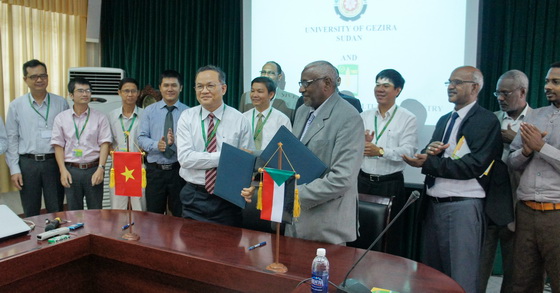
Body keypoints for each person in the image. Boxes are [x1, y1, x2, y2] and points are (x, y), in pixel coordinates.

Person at [403, 66, 502, 293]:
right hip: (433, 205)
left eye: (457, 82)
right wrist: (427, 153)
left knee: (461, 278)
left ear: (475, 87)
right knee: (430, 277)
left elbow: (475, 166)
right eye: (449, 82)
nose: (450, 87)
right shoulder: (445, 119)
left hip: (462, 207)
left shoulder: (486, 121)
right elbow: (438, 156)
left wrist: (428, 163)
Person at [283, 60, 364, 244]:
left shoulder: (349, 117)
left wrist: (293, 193)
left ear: (327, 83)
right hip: (294, 221)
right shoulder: (303, 110)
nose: (301, 90)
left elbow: (342, 178)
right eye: (300, 83)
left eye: (306, 83)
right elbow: (294, 155)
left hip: (325, 227)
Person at [177, 65, 254, 227]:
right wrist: (228, 156)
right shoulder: (187, 117)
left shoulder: (240, 120)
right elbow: (185, 159)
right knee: (192, 248)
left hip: (229, 196)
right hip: (194, 196)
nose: (204, 91)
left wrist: (236, 158)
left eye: (210, 85)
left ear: (223, 88)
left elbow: (245, 161)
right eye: (199, 86)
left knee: (228, 249)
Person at [507, 62, 560, 293]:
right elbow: (512, 161)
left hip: (556, 214)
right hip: (526, 211)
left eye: (555, 82)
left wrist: (541, 147)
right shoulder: (535, 116)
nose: (547, 86)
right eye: (547, 81)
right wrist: (527, 151)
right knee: (522, 281)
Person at [479, 69, 531, 293]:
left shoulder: (538, 119)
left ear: (522, 92)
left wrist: (516, 139)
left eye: (506, 93)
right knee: (480, 260)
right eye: (497, 93)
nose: (500, 98)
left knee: (515, 264)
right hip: (488, 196)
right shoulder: (490, 119)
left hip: (519, 199)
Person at [358, 69, 417, 257]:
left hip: (389, 184)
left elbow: (408, 152)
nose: (380, 89)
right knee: (359, 232)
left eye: (386, 86)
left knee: (387, 236)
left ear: (398, 90)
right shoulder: (364, 115)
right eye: (377, 84)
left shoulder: (407, 118)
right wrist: (361, 143)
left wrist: (381, 151)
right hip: (362, 181)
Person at [5, 59, 69, 217]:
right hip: (28, 163)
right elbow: (11, 139)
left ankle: (57, 240)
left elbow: (69, 136)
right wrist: (14, 169)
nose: (39, 80)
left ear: (47, 77)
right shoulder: (16, 105)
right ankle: (34, 241)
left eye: (43, 75)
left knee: (56, 209)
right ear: (25, 80)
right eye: (33, 77)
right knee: (30, 210)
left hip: (54, 162)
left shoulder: (61, 103)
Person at [51, 78, 112, 210]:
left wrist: (101, 168)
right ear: (71, 95)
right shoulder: (61, 118)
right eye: (80, 91)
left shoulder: (100, 117)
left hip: (93, 169)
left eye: (88, 91)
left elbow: (105, 144)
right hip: (71, 170)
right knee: (74, 211)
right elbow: (58, 146)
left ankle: (95, 231)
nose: (85, 94)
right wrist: (62, 170)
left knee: (95, 210)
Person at [138, 70, 189, 216]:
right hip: (155, 171)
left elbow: (193, 142)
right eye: (166, 85)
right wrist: (156, 145)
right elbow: (141, 138)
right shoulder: (149, 111)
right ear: (160, 88)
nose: (170, 89)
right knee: (154, 216)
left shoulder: (189, 113)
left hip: (179, 171)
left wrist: (177, 143)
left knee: (180, 215)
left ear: (181, 88)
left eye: (174, 85)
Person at [108, 77, 145, 211]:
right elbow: (107, 142)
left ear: (138, 93)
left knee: (139, 206)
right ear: (119, 92)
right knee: (118, 206)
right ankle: (119, 232)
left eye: (133, 91)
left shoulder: (145, 114)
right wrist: (115, 156)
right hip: (118, 166)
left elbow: (147, 139)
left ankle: (140, 231)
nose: (130, 95)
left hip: (138, 165)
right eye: (126, 91)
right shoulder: (111, 116)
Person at [242, 76, 292, 151]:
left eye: (260, 91)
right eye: (252, 91)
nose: (254, 95)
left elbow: (287, 147)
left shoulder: (282, 120)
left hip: (271, 161)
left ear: (271, 94)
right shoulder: (243, 117)